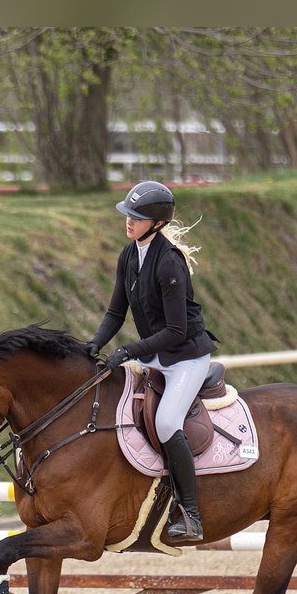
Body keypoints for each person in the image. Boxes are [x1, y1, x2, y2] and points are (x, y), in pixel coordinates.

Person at [85, 180, 218, 543]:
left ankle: (190, 515)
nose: (128, 221)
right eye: (127, 214)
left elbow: (176, 330)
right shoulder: (129, 255)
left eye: (137, 217)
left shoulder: (169, 262)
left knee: (165, 422)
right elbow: (115, 311)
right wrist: (93, 344)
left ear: (157, 223)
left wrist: (129, 351)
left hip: (183, 358)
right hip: (155, 356)